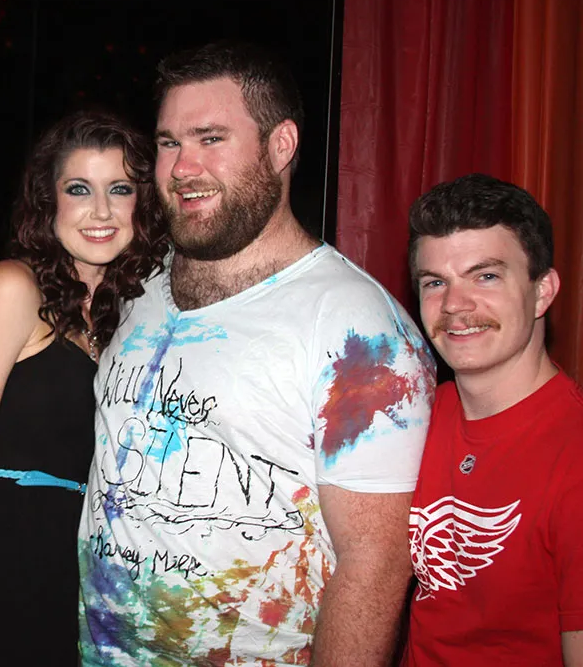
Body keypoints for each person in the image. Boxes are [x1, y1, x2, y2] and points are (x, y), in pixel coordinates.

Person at [78, 41, 437, 666]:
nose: (182, 167)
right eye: (169, 143)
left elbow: (375, 565)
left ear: (281, 146)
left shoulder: (357, 328)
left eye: (211, 138)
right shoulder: (137, 284)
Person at [0, 110, 168, 666]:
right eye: (79, 189)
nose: (101, 211)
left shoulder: (128, 315)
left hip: (78, 582)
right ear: (48, 201)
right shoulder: (12, 288)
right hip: (0, 571)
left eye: (120, 189)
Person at [404, 173, 583, 666]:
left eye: (486, 276)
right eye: (435, 282)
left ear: (542, 292)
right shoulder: (416, 414)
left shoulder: (573, 457)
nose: (454, 305)